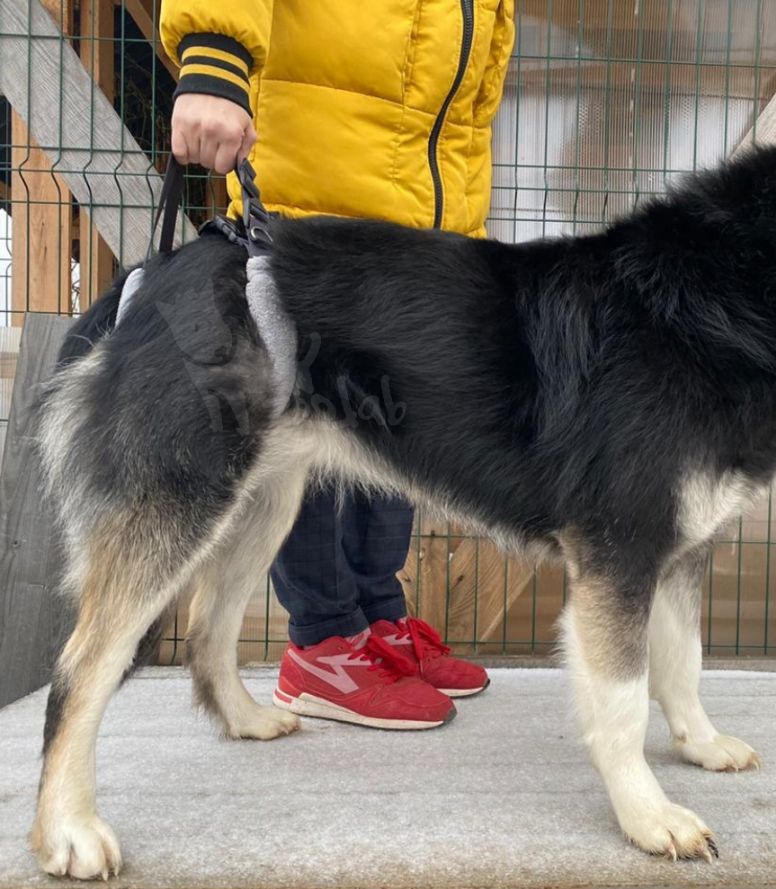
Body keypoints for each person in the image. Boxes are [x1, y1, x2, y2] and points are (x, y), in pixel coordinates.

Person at [160, 0, 515, 730]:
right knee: (309, 439)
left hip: (419, 217)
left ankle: (376, 617)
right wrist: (213, 59)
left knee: (392, 429)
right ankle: (323, 640)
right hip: (319, 191)